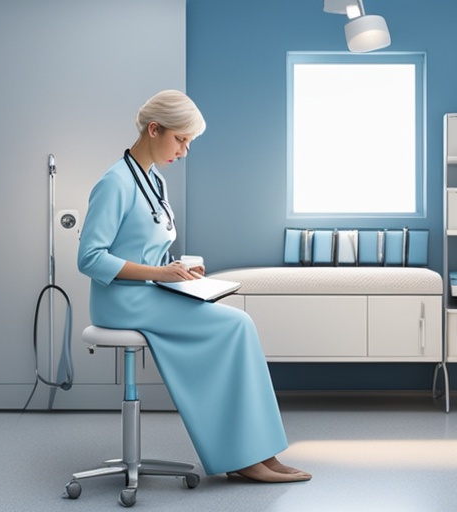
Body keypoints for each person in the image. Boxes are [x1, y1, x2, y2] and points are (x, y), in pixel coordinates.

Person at [77, 90, 310, 483]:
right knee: (236, 327)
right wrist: (159, 274)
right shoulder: (114, 183)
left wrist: (178, 269)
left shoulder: (155, 182)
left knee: (240, 327)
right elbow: (90, 258)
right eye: (181, 140)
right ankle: (244, 456)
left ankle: (262, 452)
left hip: (148, 292)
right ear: (155, 129)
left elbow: (146, 250)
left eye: (188, 142)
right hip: (120, 302)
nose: (184, 151)